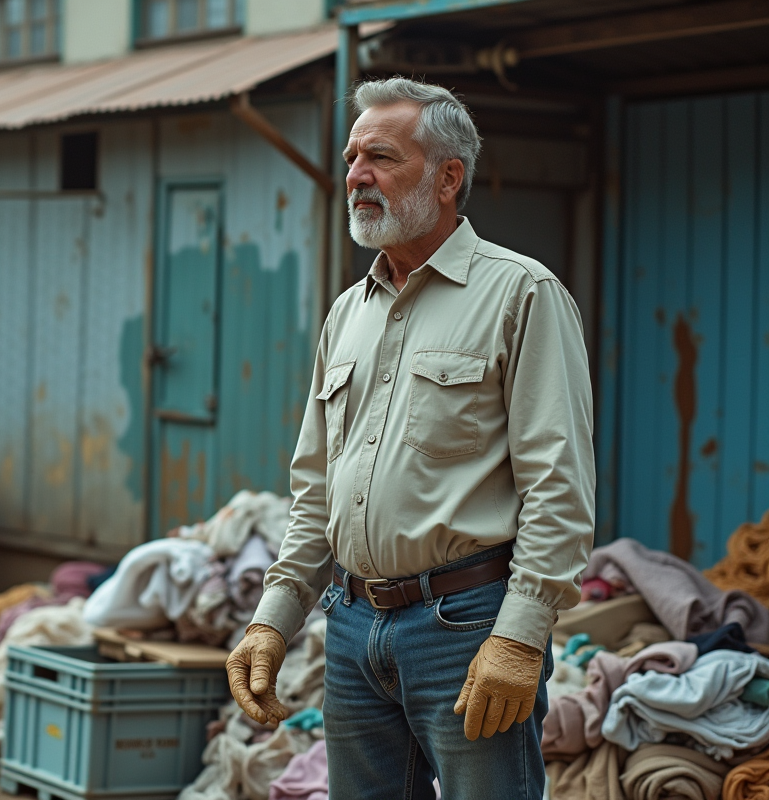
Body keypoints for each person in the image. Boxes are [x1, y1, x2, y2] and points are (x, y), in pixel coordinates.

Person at [225, 77, 595, 799]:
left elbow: (559, 486)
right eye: (352, 155)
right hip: (353, 628)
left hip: (467, 629)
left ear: (448, 177)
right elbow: (316, 488)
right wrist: (274, 616)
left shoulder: (522, 294)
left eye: (382, 158)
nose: (356, 175)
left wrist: (520, 636)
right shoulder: (347, 314)